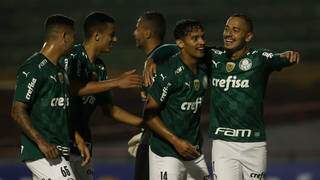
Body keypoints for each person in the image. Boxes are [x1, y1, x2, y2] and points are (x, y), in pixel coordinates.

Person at [144, 13, 300, 180]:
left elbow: (279, 58)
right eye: (226, 29)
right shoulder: (213, 55)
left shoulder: (259, 58)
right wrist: (151, 59)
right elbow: (177, 47)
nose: (228, 34)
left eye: (235, 30)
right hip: (223, 143)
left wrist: (288, 56)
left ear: (248, 36)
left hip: (254, 144)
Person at [60, 11, 143, 180]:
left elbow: (110, 110)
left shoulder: (99, 67)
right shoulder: (72, 56)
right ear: (97, 36)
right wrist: (117, 81)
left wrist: (145, 124)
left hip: (84, 146)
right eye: (111, 35)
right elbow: (73, 88)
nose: (115, 40)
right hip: (61, 143)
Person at [11, 14, 88, 179]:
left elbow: (61, 110)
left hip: (58, 151)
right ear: (64, 37)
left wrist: (77, 138)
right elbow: (17, 111)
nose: (75, 42)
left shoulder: (61, 71)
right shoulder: (34, 68)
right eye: (73, 36)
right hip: (42, 152)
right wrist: (41, 142)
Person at [143, 19, 210, 180]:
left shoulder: (205, 67)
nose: (202, 42)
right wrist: (176, 141)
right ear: (180, 43)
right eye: (195, 38)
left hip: (193, 152)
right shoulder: (168, 72)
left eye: (202, 37)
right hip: (166, 153)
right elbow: (149, 115)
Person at [129, 11, 166, 180]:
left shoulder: (162, 60)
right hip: (151, 136)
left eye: (137, 28)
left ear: (147, 33)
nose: (134, 33)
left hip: (158, 143)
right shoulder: (151, 60)